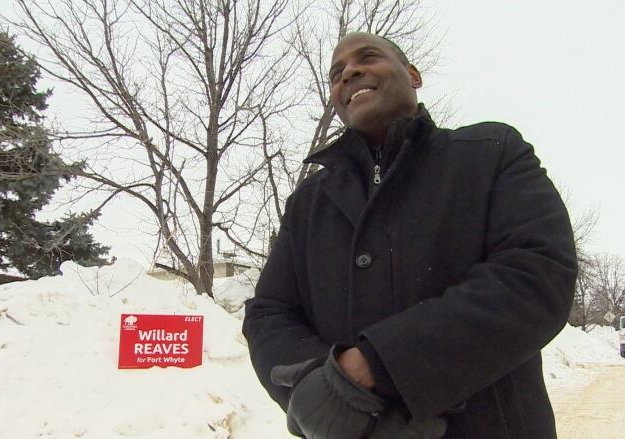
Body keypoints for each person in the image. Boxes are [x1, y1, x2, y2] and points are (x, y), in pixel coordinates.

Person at [242, 31, 577, 438]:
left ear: (413, 75)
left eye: (368, 57)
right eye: (336, 73)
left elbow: (537, 273)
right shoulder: (309, 203)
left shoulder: (491, 153)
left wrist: (379, 363)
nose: (350, 72)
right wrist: (324, 386)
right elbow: (269, 313)